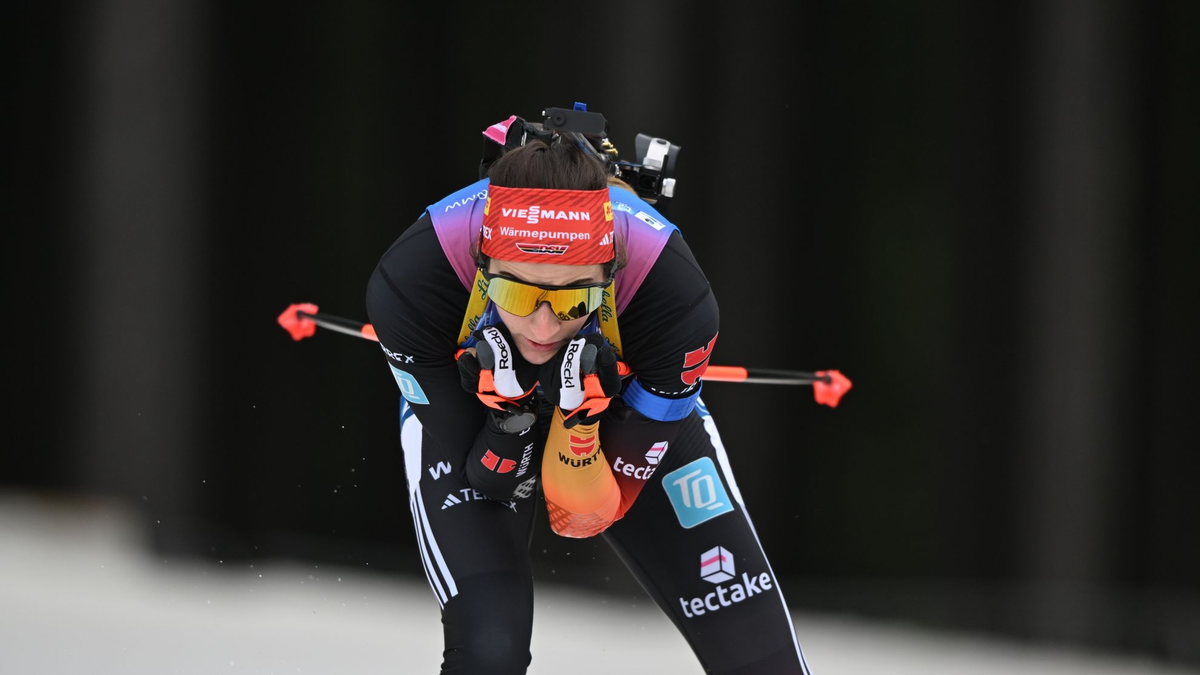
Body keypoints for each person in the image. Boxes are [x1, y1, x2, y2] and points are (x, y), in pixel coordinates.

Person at [365, 109, 814, 674]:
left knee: (763, 661)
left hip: (619, 398)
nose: (543, 326)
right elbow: (488, 478)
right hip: (475, 394)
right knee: (489, 650)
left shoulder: (672, 296)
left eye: (575, 299)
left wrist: (579, 424)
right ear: (482, 262)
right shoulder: (413, 280)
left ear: (610, 273)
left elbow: (583, 516)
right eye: (517, 294)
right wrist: (510, 418)